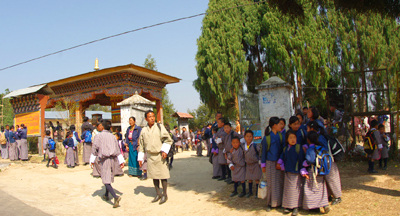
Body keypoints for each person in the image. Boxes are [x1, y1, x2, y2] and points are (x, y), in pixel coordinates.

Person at [138, 110, 173, 204]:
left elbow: (168, 139)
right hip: (150, 156)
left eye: (153, 116)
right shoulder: (144, 130)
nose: (152, 118)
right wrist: (140, 157)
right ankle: (158, 194)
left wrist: (165, 150)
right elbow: (141, 144)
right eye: (150, 117)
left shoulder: (159, 127)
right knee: (154, 176)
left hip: (159, 155)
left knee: (163, 175)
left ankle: (165, 194)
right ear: (146, 119)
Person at [90, 119, 124, 208]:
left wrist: (92, 160)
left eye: (100, 125)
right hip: (112, 159)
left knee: (105, 178)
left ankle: (115, 197)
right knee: (108, 176)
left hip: (104, 159)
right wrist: (121, 161)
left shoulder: (99, 136)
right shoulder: (113, 136)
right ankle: (106, 194)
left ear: (102, 126)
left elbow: (94, 148)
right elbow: (117, 149)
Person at [301, 131, 330, 214]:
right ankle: (324, 204)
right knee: (321, 188)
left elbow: (310, 160)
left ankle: (314, 206)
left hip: (313, 171)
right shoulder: (321, 147)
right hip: (321, 171)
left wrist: (304, 164)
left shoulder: (310, 149)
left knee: (312, 188)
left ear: (308, 140)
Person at [277, 130, 305, 216]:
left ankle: (296, 207)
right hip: (287, 172)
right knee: (288, 190)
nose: (293, 139)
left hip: (296, 172)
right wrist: (279, 163)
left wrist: (302, 169)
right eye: (290, 138)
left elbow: (301, 159)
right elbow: (282, 157)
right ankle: (288, 206)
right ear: (287, 140)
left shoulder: (298, 148)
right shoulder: (285, 148)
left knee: (296, 190)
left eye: (294, 137)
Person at [261, 117, 285, 212]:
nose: (281, 126)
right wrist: (263, 165)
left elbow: (283, 149)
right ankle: (270, 203)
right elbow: (263, 153)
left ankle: (279, 202)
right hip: (270, 163)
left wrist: (280, 161)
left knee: (279, 182)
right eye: (279, 124)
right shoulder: (267, 138)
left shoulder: (281, 136)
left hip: (279, 163)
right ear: (274, 125)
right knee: (271, 183)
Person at [243, 130, 261, 198]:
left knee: (256, 179)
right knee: (249, 179)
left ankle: (257, 192)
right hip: (248, 164)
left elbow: (260, 153)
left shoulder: (255, 146)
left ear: (253, 137)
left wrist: (260, 161)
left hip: (255, 164)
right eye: (247, 136)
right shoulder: (243, 146)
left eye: (250, 136)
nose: (248, 138)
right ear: (244, 137)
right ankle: (250, 191)